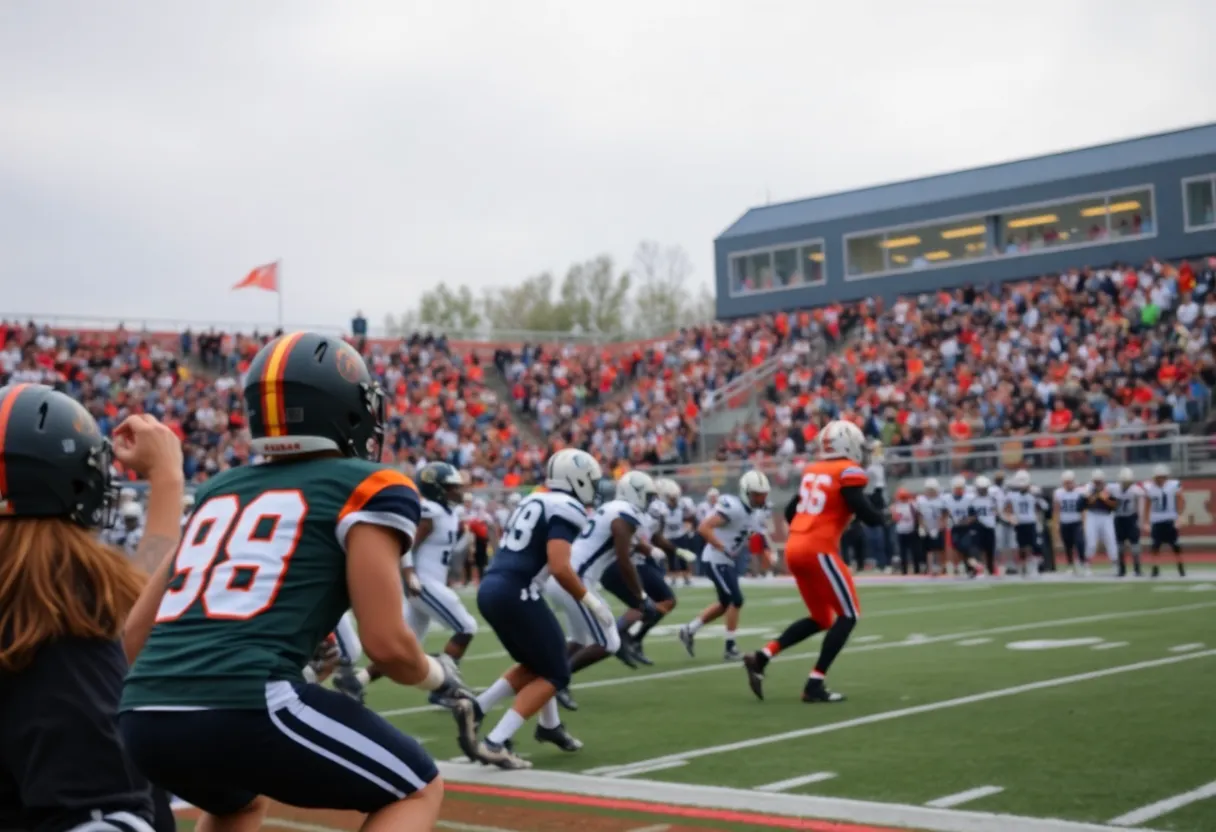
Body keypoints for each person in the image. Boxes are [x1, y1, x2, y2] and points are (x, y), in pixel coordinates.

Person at [119, 332, 465, 832]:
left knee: (237, 803)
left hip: (143, 714)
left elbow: (135, 636)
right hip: (246, 702)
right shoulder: (371, 484)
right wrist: (437, 674)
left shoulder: (219, 489)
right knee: (416, 786)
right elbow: (387, 645)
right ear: (348, 410)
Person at [0, 384, 181, 832]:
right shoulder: (64, 624)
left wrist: (169, 483)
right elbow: (106, 818)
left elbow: (135, 613)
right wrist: (167, 477)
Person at [453, 449, 607, 770]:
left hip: (493, 587)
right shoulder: (568, 506)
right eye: (589, 480)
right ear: (575, 478)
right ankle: (496, 742)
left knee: (536, 663)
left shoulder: (534, 498)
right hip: (517, 590)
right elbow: (561, 567)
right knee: (556, 672)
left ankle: (478, 709)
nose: (593, 485)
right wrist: (590, 600)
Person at [742, 420, 884, 702]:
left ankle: (762, 656)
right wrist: (883, 516)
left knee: (822, 618)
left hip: (796, 547)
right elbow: (866, 514)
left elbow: (793, 511)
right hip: (818, 549)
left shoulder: (814, 470)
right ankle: (814, 683)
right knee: (849, 614)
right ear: (847, 444)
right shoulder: (847, 471)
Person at [545, 471, 656, 704]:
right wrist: (641, 597)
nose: (650, 501)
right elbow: (624, 561)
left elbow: (620, 547)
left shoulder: (611, 509)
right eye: (647, 496)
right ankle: (556, 681)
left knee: (580, 638)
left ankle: (545, 677)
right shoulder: (625, 513)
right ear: (634, 493)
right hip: (574, 581)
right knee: (609, 642)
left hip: (565, 578)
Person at [677, 470, 771, 662]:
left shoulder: (754, 512)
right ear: (746, 493)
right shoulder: (734, 507)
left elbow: (751, 535)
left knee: (725, 602)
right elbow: (704, 527)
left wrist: (762, 552)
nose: (761, 498)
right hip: (715, 559)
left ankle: (689, 630)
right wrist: (722, 547)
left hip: (726, 560)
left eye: (763, 494)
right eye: (757, 494)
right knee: (735, 599)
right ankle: (730, 647)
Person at [1143, 464, 1184, 577]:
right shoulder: (1149, 487)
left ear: (1166, 477)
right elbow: (1147, 504)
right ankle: (1155, 569)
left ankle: (1181, 568)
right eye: (1158, 477)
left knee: (1176, 546)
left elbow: (1180, 499)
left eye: (1162, 477)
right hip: (1156, 520)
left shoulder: (1173, 485)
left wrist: (1179, 516)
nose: (1160, 479)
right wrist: (1146, 521)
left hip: (1170, 518)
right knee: (1155, 546)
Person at [1110, 467, 1145, 577]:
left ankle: (1137, 568)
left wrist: (1140, 520)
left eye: (1127, 482)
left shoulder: (1136, 490)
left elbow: (1140, 505)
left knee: (1135, 545)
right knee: (1119, 545)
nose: (1126, 484)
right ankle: (1122, 569)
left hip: (1131, 518)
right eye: (1124, 481)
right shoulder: (1113, 489)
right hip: (1119, 518)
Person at [1053, 471, 1086, 574]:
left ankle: (1082, 563)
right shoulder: (1059, 493)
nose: (1069, 484)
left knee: (1080, 543)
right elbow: (1056, 509)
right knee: (1068, 545)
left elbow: (1083, 509)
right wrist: (1056, 523)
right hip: (1065, 522)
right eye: (1067, 482)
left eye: (1070, 482)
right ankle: (1070, 564)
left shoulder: (1080, 492)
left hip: (1076, 522)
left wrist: (1084, 522)